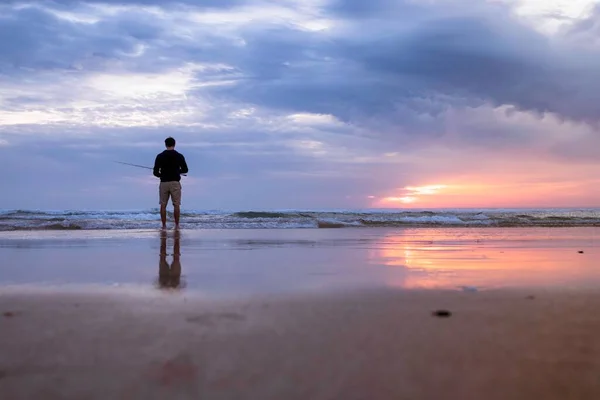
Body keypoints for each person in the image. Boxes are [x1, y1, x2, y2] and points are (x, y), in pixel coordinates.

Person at [153, 137, 188, 230]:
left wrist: (161, 174)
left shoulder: (160, 156)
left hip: (164, 182)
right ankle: (176, 225)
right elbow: (185, 169)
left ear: (165, 144)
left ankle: (164, 225)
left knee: (163, 205)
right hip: (175, 183)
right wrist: (177, 171)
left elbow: (155, 172)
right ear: (174, 144)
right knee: (176, 205)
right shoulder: (179, 156)